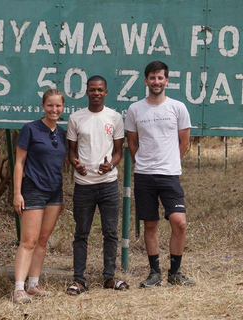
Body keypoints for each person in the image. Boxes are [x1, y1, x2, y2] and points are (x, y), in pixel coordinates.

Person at [125, 61, 195, 287]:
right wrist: (142, 162)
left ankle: (175, 273)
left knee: (179, 223)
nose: (156, 82)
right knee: (151, 225)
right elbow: (132, 143)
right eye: (152, 78)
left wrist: (170, 161)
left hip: (169, 174)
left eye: (160, 78)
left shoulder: (178, 107)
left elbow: (184, 142)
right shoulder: (135, 109)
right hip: (144, 175)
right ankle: (155, 273)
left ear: (167, 81)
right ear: (146, 81)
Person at [65, 75, 129, 295]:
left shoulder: (114, 117)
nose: (96, 93)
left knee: (110, 233)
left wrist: (110, 164)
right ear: (86, 92)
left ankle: (109, 277)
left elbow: (119, 151)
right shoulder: (76, 118)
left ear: (106, 92)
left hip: (108, 184)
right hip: (83, 185)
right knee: (81, 233)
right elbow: (71, 151)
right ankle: (79, 280)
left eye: (100, 90)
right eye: (92, 90)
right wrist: (76, 164)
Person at [12, 89, 66, 304]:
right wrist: (17, 193)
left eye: (58, 106)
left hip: (55, 192)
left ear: (63, 108)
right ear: (43, 106)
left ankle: (33, 284)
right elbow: (19, 163)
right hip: (33, 189)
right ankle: (18, 289)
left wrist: (62, 196)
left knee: (42, 240)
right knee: (28, 241)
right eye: (50, 105)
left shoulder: (61, 133)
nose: (54, 110)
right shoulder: (30, 129)